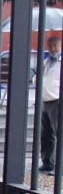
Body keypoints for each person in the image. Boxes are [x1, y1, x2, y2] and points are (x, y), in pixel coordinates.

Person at [39, 34, 61, 173]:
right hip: (45, 100)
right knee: (46, 134)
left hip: (57, 100)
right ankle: (47, 161)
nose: (52, 48)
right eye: (50, 46)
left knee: (58, 133)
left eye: (55, 46)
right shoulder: (47, 62)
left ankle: (59, 165)